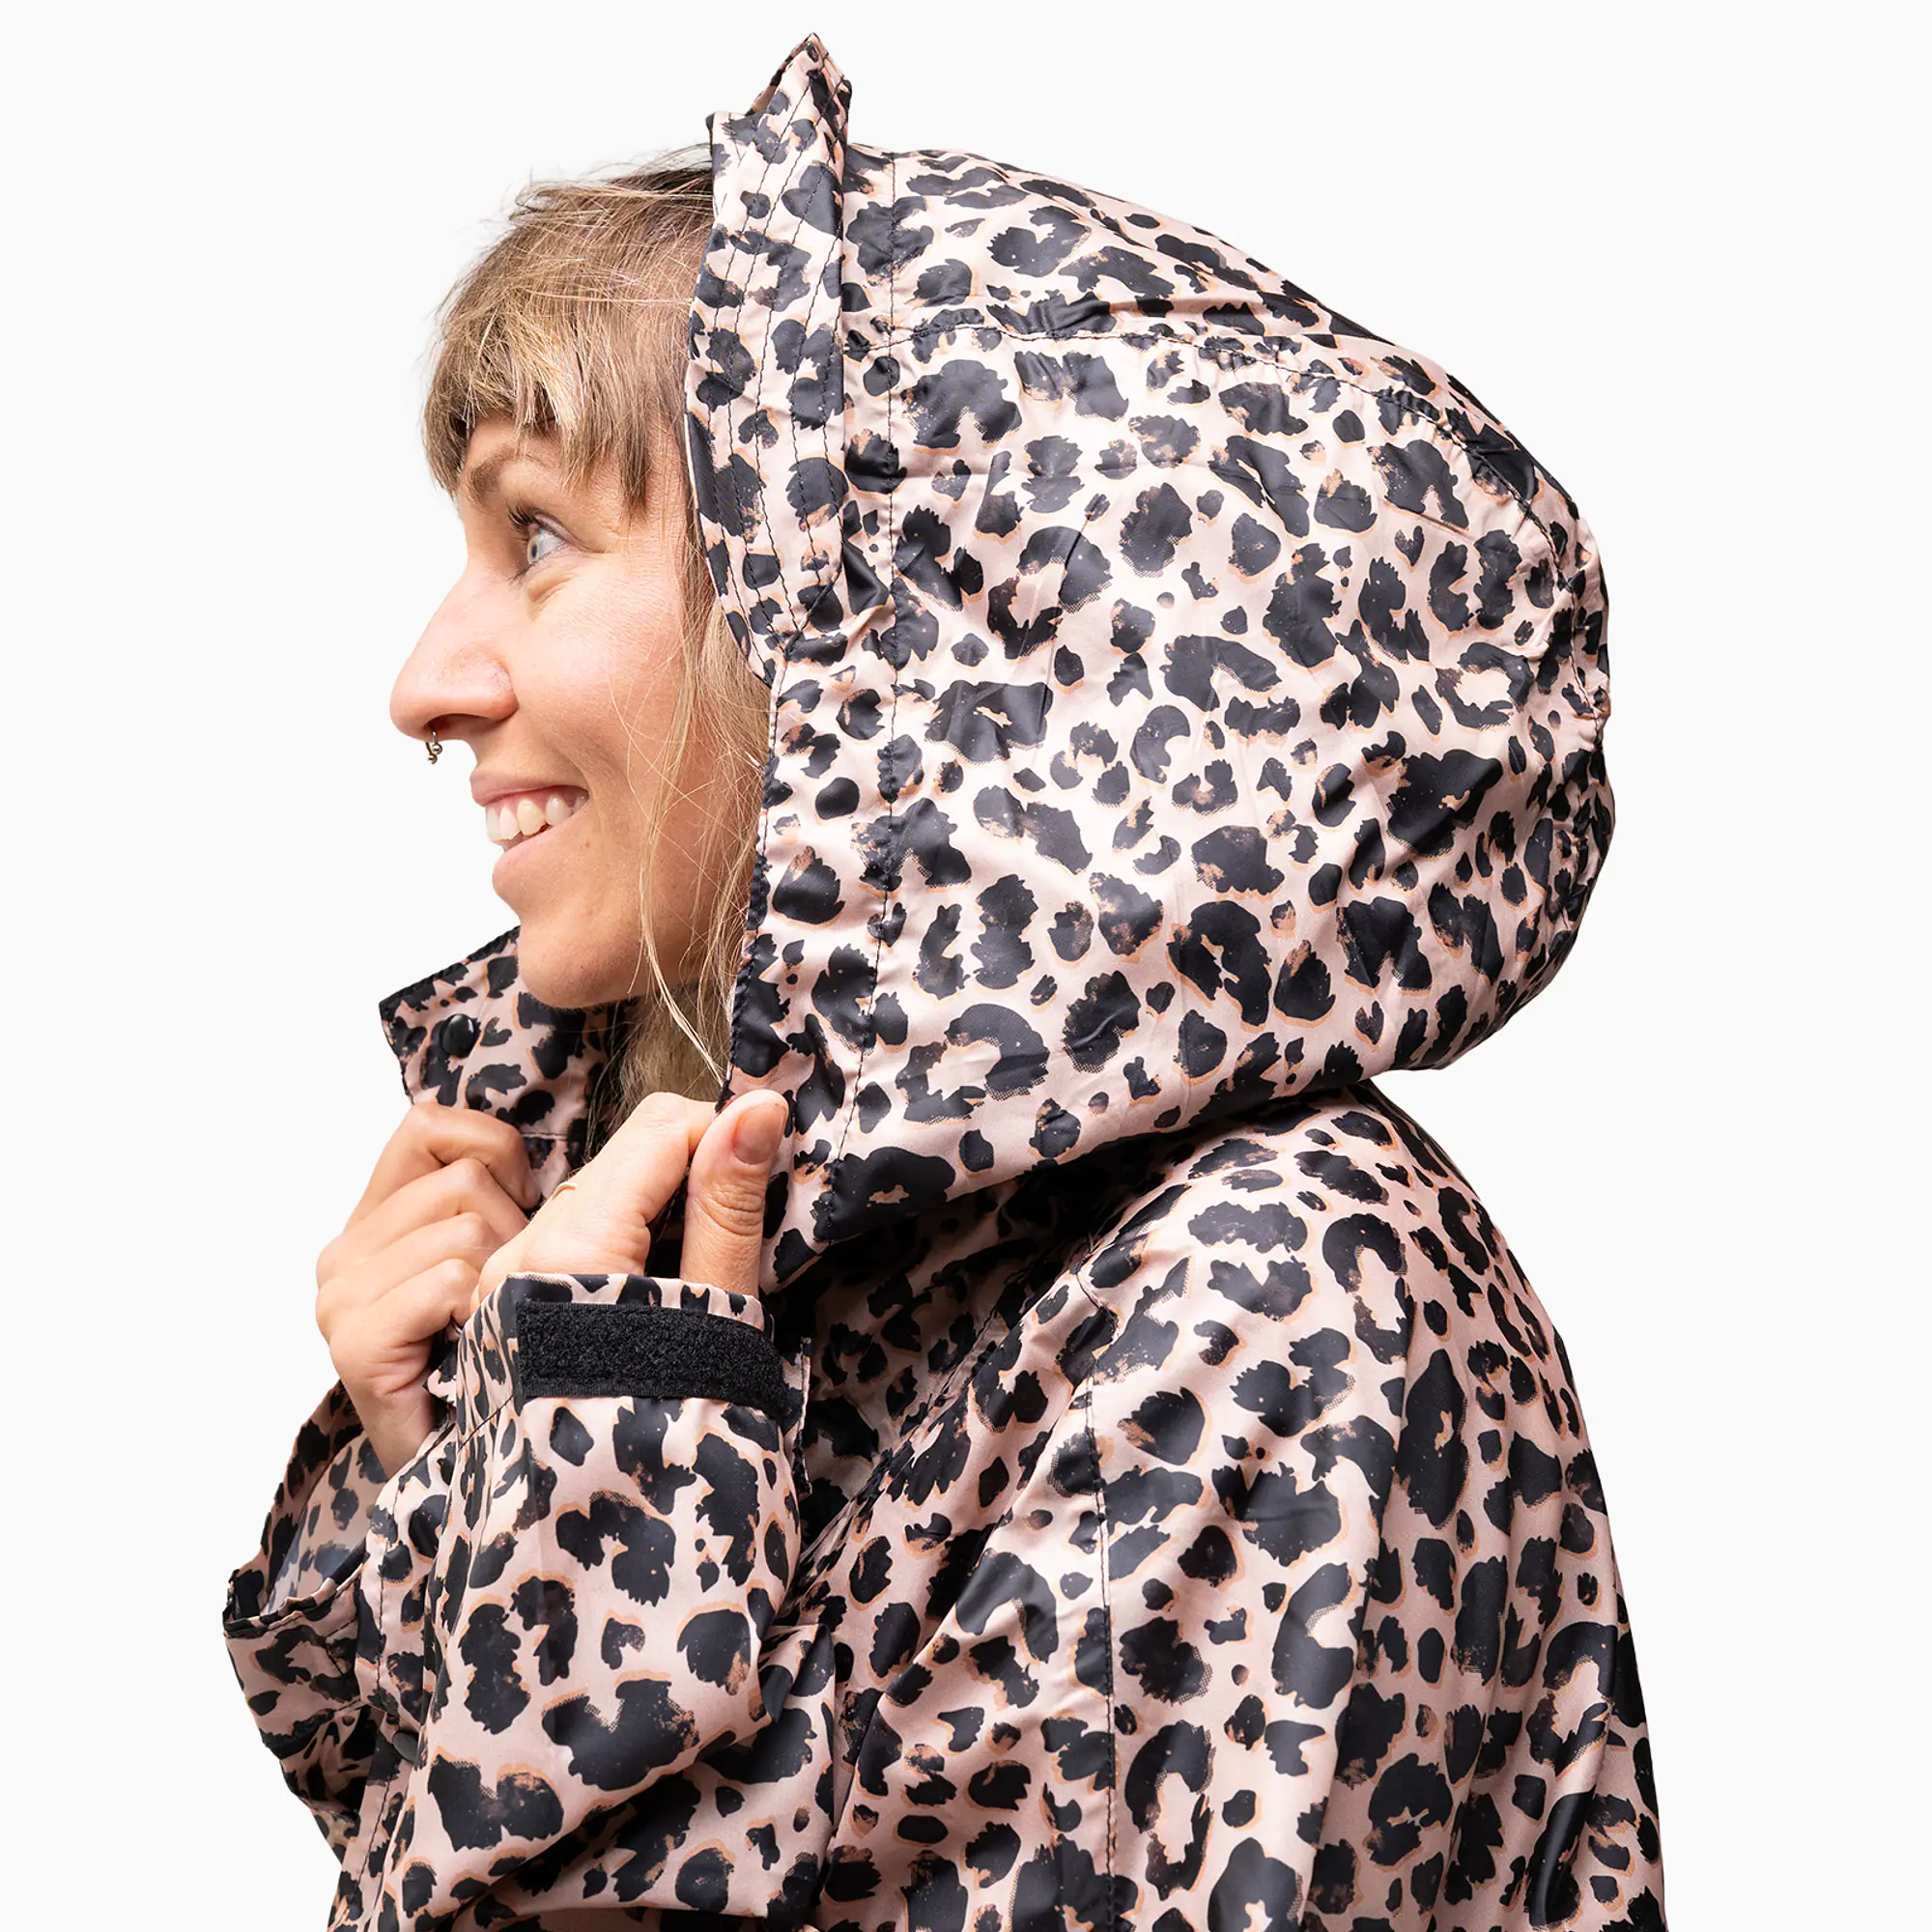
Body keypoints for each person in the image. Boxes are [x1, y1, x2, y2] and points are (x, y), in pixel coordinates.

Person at [222, 32, 1666, 1932]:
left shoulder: (1268, 1295)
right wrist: (464, 1462)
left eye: (540, 534)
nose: (424, 683)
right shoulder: (762, 1261)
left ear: (881, 621)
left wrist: (597, 1487)